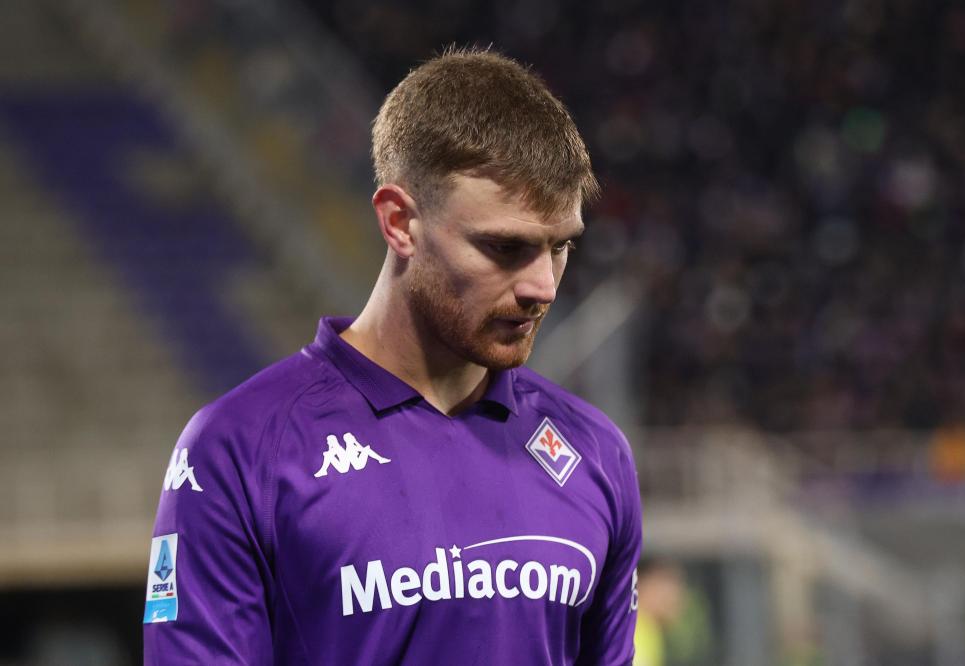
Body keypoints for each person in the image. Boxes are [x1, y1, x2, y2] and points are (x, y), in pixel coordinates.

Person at [143, 47, 642, 665]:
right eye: (505, 248)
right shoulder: (239, 450)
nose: (543, 287)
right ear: (400, 222)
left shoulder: (596, 453)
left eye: (560, 247)